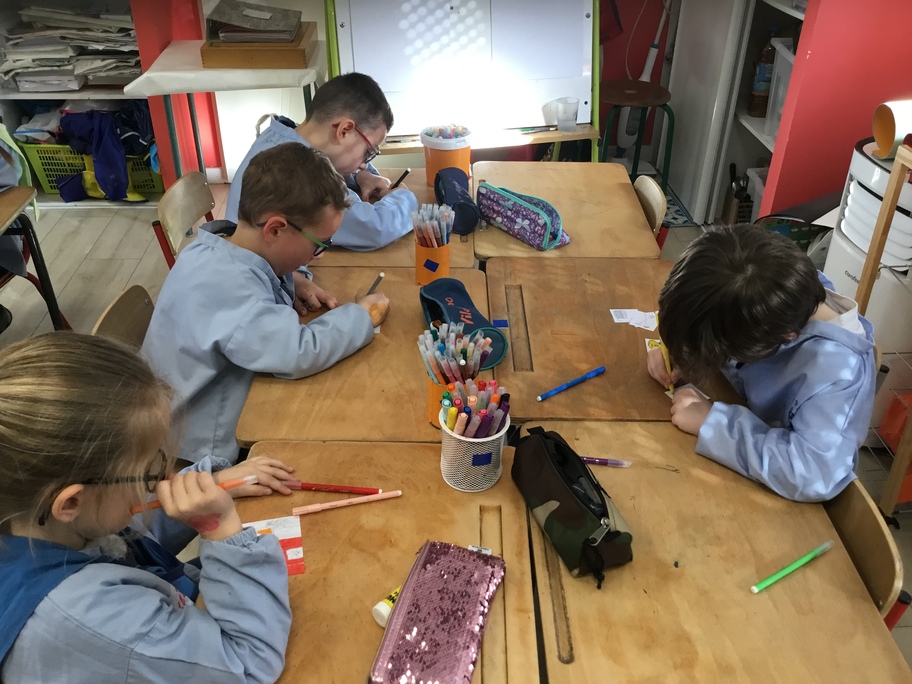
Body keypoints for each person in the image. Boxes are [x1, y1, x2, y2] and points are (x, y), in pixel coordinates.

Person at [0, 333, 297, 682]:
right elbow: (248, 665)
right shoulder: (95, 619)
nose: (159, 482)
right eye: (147, 474)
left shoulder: (41, 518)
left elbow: (123, 537)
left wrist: (206, 485)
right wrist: (220, 529)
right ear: (71, 502)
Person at [143, 143, 389, 465]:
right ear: (274, 229)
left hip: (180, 416)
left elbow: (259, 288)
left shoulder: (215, 248)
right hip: (194, 452)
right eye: (319, 244)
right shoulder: (234, 289)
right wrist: (361, 316)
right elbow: (298, 353)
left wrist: (295, 277)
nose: (320, 255)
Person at [646, 224, 876, 502]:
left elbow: (813, 472)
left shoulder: (838, 375)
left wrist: (715, 424)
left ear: (787, 337)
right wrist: (683, 350)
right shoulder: (770, 289)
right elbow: (717, 316)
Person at [225, 72, 416, 251]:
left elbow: (335, 163)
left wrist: (360, 175)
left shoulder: (279, 135)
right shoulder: (300, 176)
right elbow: (374, 227)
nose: (364, 164)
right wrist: (404, 198)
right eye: (368, 152)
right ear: (344, 130)